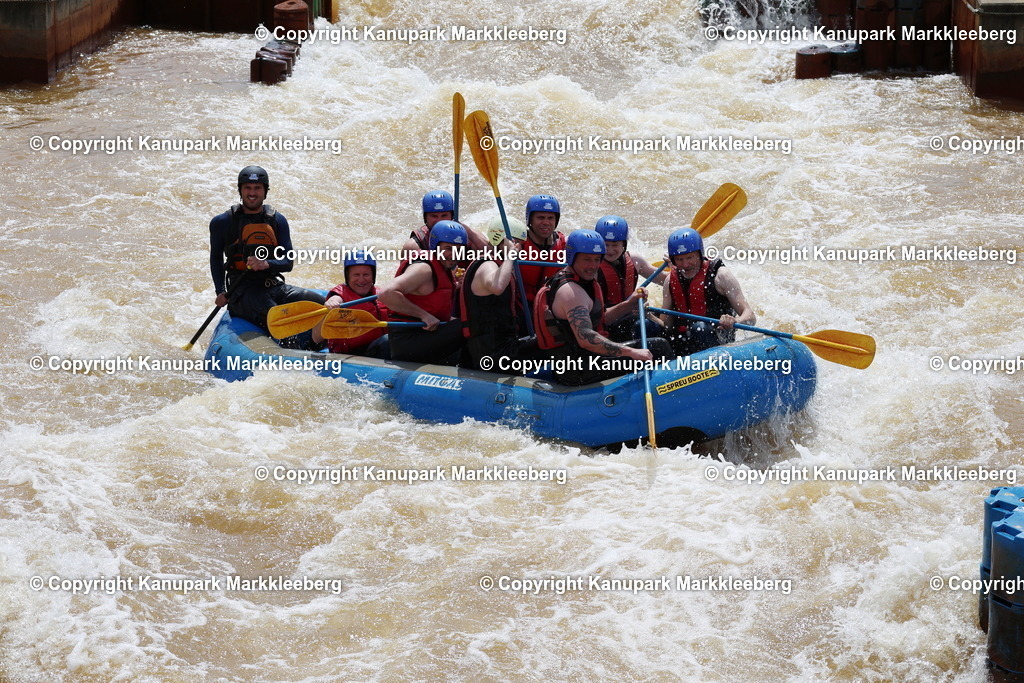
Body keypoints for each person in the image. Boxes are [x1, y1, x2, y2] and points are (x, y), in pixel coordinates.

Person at [533, 229, 672, 386]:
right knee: (659, 347)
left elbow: (601, 319)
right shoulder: (572, 293)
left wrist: (627, 305)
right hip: (579, 369)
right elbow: (586, 339)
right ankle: (669, 392)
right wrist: (632, 352)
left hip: (584, 360)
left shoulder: (581, 279)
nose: (592, 265)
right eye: (586, 259)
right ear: (572, 257)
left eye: (596, 259)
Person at [208, 165, 324, 349]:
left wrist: (266, 264)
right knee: (277, 316)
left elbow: (288, 262)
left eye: (257, 188)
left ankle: (322, 345)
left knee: (319, 303)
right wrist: (220, 291)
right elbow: (215, 258)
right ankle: (295, 355)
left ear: (265, 191)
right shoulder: (223, 222)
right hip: (242, 292)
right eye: (247, 188)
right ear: (240, 190)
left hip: (273, 285)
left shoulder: (277, 220)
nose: (252, 193)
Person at [379, 220, 467, 364]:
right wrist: (423, 315)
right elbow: (385, 294)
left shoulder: (444, 268)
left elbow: (429, 296)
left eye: (459, 249)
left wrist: (454, 286)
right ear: (435, 247)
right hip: (408, 342)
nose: (454, 254)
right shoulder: (423, 269)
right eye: (448, 248)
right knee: (470, 325)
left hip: (426, 335)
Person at [457, 215, 538, 372]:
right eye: (515, 242)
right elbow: (497, 286)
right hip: (494, 355)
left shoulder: (498, 263)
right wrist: (510, 255)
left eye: (521, 244)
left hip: (503, 348)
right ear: (500, 240)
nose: (519, 248)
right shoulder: (486, 265)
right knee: (548, 346)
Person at [661, 228, 755, 356]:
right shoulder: (669, 280)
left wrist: (734, 321)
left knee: (699, 327)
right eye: (680, 259)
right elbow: (666, 325)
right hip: (683, 345)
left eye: (690, 257)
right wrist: (647, 314)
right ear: (673, 260)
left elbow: (750, 317)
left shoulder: (721, 276)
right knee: (645, 325)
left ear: (700, 254)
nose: (685, 264)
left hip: (717, 342)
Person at [594, 215, 667, 342]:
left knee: (652, 325)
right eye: (606, 245)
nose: (610, 250)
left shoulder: (635, 260)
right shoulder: (591, 269)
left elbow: (667, 280)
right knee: (642, 325)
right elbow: (598, 318)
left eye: (615, 244)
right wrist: (629, 305)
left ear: (624, 244)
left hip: (632, 318)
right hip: (607, 326)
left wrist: (678, 263)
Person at [311, 250, 390, 358]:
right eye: (356, 275)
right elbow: (316, 338)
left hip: (375, 348)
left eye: (366, 274)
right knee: (387, 341)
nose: (361, 280)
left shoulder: (381, 294)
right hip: (350, 355)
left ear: (373, 276)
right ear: (347, 277)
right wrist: (330, 306)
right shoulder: (339, 296)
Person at [401, 190, 488, 255]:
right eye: (434, 216)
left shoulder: (468, 235)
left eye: (444, 215)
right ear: (425, 218)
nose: (439, 221)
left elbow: (494, 255)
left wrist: (470, 233)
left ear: (452, 216)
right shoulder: (414, 245)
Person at [518, 194, 568, 304]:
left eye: (550, 218)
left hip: (550, 304)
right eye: (540, 217)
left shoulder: (564, 243)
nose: (546, 222)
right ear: (530, 219)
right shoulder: (519, 242)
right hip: (521, 304)